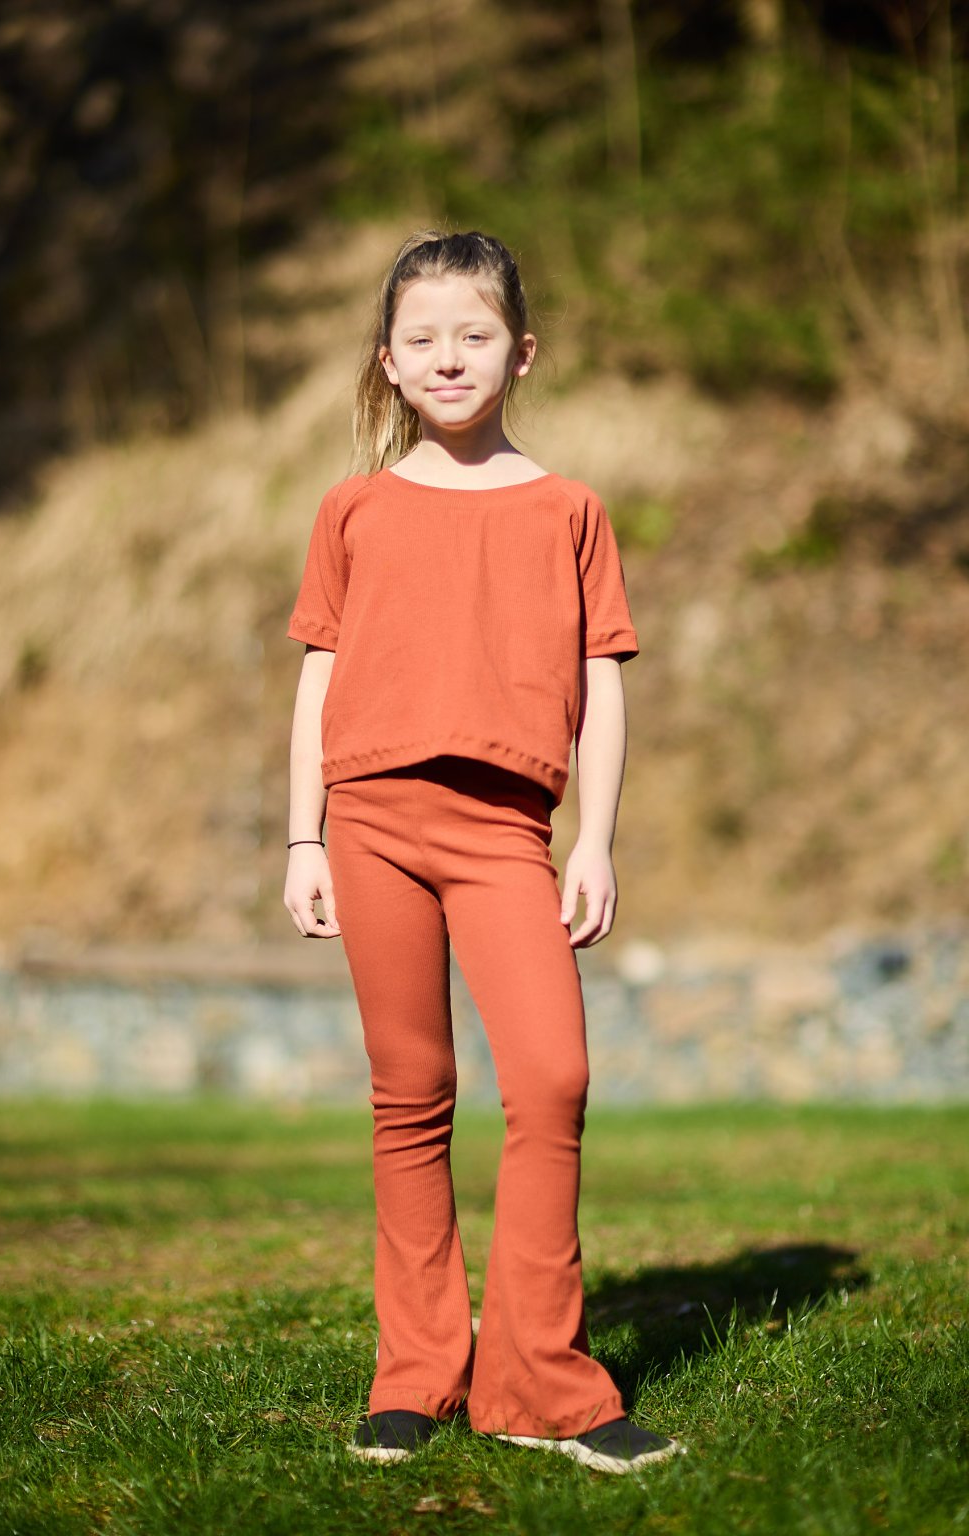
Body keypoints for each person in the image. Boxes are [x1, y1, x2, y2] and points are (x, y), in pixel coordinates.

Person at [282, 229, 683, 1476]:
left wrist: (594, 841)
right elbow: (318, 677)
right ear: (388, 362)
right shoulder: (352, 509)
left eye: (473, 334)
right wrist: (302, 834)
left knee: (551, 1080)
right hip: (370, 823)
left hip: (509, 831)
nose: (447, 357)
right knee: (410, 1094)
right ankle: (415, 1374)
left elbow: (601, 683)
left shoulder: (569, 510)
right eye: (422, 338)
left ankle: (538, 1383)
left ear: (522, 353)